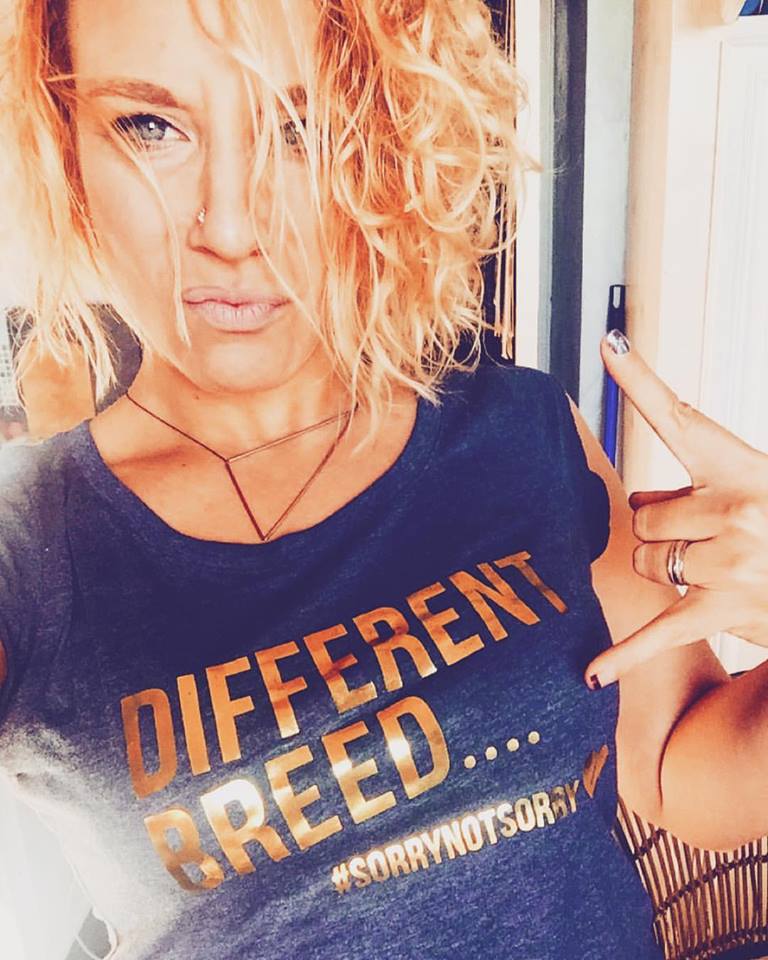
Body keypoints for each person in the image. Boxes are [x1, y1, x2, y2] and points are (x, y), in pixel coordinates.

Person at [0, 1, 766, 958]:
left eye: (302, 128)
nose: (231, 226)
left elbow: (675, 761)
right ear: (64, 146)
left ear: (385, 139)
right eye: (150, 126)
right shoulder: (28, 549)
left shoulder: (521, 429)